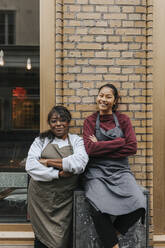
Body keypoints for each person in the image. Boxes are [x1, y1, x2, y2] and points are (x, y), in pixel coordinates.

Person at [82, 83, 146, 248]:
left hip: (121, 171)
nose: (103, 99)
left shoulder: (123, 120)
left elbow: (132, 147)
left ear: (115, 100)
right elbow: (90, 149)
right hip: (96, 172)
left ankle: (110, 236)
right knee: (97, 207)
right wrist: (118, 142)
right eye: (101, 95)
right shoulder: (89, 121)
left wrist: (101, 147)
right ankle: (113, 245)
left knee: (140, 203)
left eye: (108, 96)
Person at [26, 105, 88, 248]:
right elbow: (30, 166)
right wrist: (58, 173)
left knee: (62, 239)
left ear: (68, 122)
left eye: (62, 120)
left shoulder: (77, 141)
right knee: (41, 239)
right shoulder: (41, 141)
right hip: (41, 200)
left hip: (65, 200)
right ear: (49, 123)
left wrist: (47, 162)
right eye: (54, 121)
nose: (58, 124)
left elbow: (79, 164)